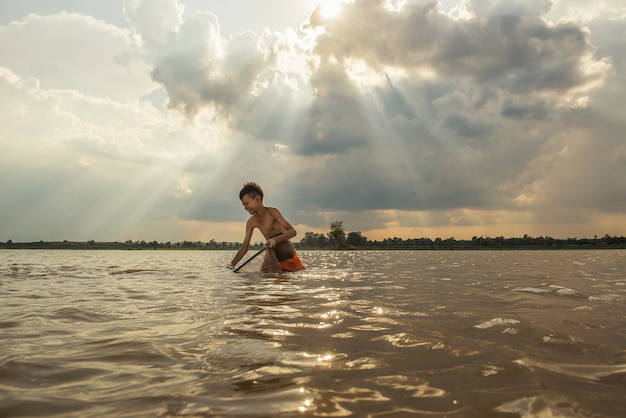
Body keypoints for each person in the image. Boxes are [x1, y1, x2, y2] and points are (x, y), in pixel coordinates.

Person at [227, 182, 305, 272]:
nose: (245, 208)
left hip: (287, 253)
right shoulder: (251, 222)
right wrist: (232, 265)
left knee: (293, 278)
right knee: (266, 278)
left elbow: (292, 232)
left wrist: (275, 240)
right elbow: (244, 247)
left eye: (246, 203)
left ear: (257, 199)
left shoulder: (272, 212)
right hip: (271, 255)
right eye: (243, 205)